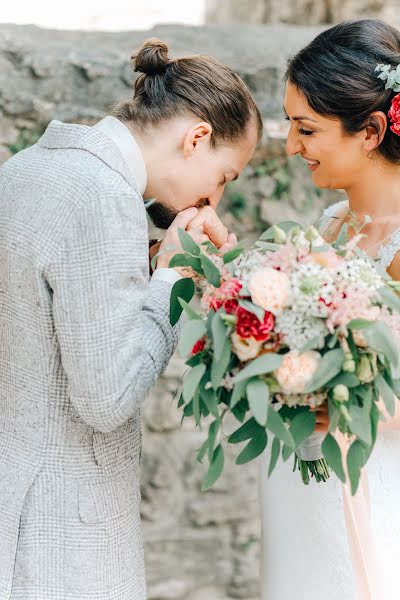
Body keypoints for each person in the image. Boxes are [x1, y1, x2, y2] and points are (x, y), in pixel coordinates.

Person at [0, 38, 261, 600]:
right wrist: (173, 281)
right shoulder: (103, 197)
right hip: (64, 535)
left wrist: (144, 262)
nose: (213, 201)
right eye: (224, 177)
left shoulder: (22, 170)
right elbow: (107, 396)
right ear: (197, 138)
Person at [260, 19, 400, 600]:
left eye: (306, 128)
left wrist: (346, 405)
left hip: (376, 484)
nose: (291, 146)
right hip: (299, 480)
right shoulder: (327, 230)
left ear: (370, 130)